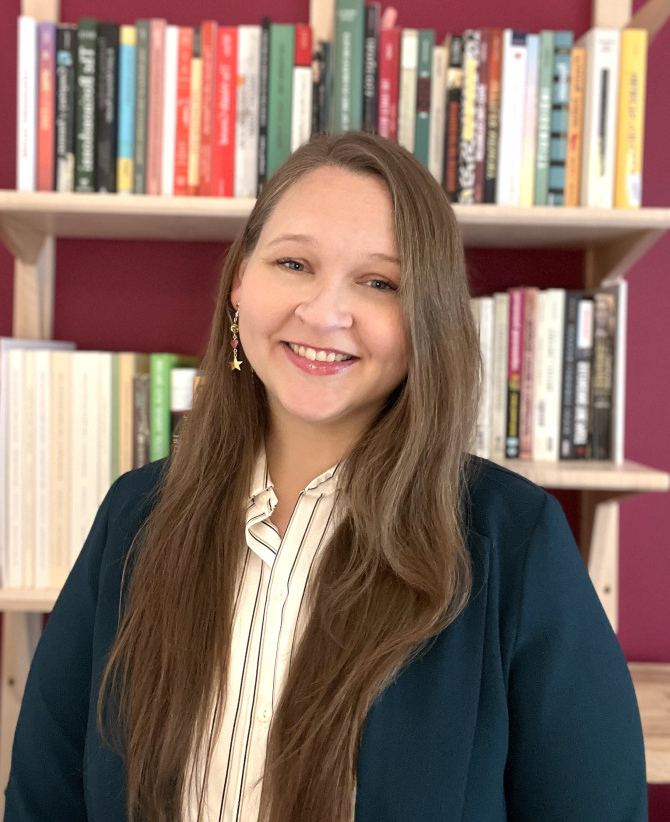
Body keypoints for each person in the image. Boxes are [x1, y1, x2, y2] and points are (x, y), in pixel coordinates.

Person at [5, 131, 646, 822]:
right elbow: (45, 799)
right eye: (294, 262)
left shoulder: (513, 542)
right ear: (240, 283)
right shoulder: (135, 515)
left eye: (379, 281)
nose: (323, 312)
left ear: (424, 319)